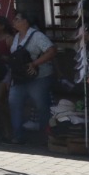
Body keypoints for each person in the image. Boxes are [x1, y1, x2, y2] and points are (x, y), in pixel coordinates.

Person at [7, 11, 56, 145]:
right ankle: (18, 135)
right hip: (20, 78)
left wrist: (34, 64)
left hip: (38, 77)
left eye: (17, 19)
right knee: (14, 103)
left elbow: (51, 51)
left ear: (26, 22)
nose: (14, 21)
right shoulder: (16, 36)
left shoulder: (37, 36)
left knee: (42, 106)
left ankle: (46, 135)